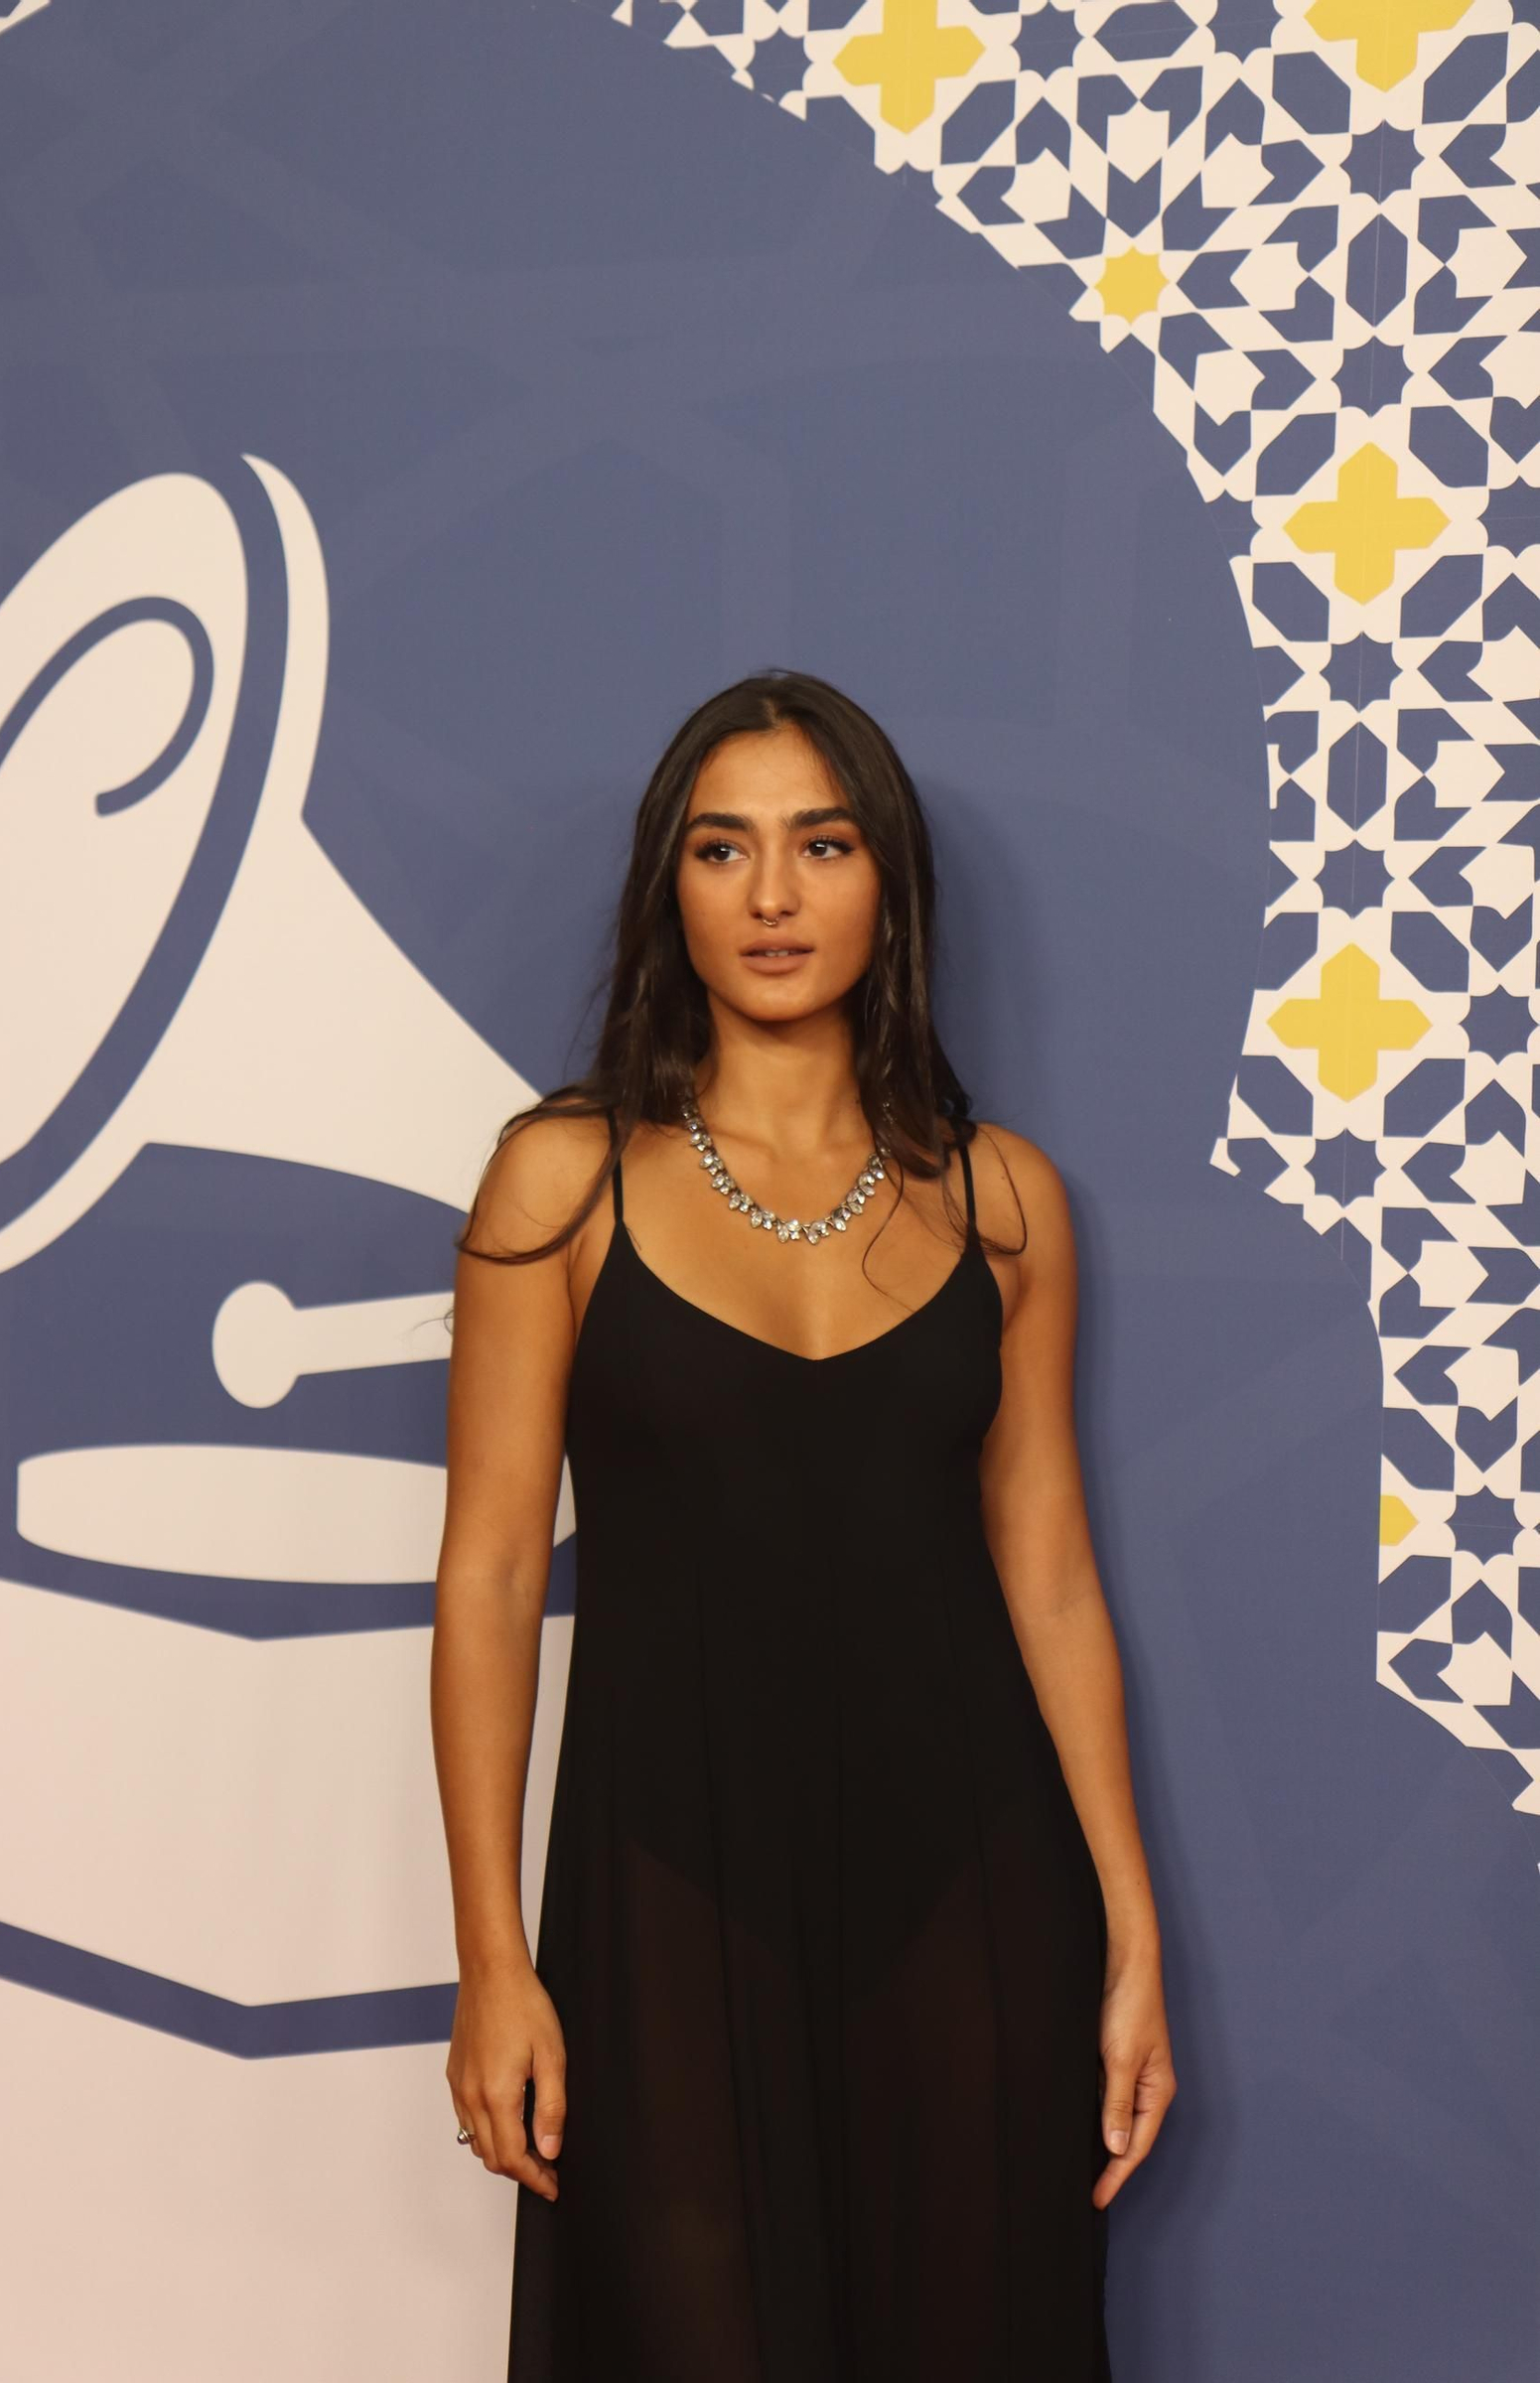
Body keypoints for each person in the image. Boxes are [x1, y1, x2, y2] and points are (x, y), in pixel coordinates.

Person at [430, 668, 1175, 2379]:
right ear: (666, 888)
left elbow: (1049, 1575)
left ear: (885, 880)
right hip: (666, 1900)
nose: (772, 897)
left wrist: (1129, 1937)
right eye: (723, 848)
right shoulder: (560, 1179)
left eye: (821, 844)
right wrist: (492, 1960)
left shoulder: (1004, 1202)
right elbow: (484, 1577)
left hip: (975, 1898)